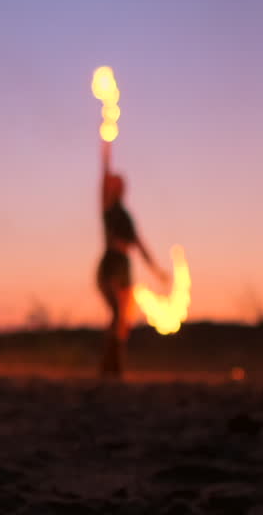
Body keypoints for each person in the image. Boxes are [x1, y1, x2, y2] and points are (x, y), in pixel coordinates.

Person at [97, 139, 167, 378]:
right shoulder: (108, 208)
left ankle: (115, 367)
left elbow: (140, 244)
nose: (120, 187)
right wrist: (106, 147)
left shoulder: (127, 216)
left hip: (125, 268)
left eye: (122, 184)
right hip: (110, 265)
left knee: (124, 320)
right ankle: (109, 366)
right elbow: (103, 176)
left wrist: (157, 271)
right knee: (117, 312)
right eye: (116, 184)